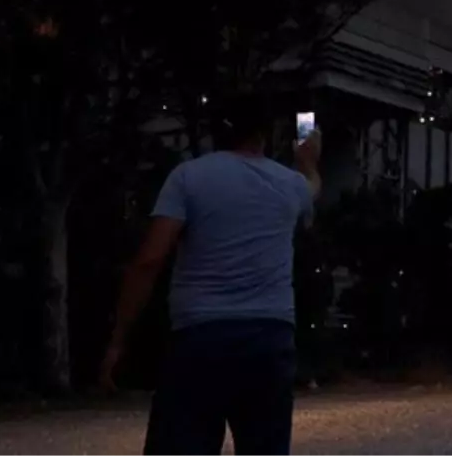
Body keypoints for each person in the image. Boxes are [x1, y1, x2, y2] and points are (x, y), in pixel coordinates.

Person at [100, 98, 322, 456]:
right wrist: (307, 161)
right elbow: (313, 185)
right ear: (265, 133)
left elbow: (150, 260)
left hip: (200, 337)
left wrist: (119, 339)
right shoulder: (290, 185)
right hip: (269, 339)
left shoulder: (188, 177)